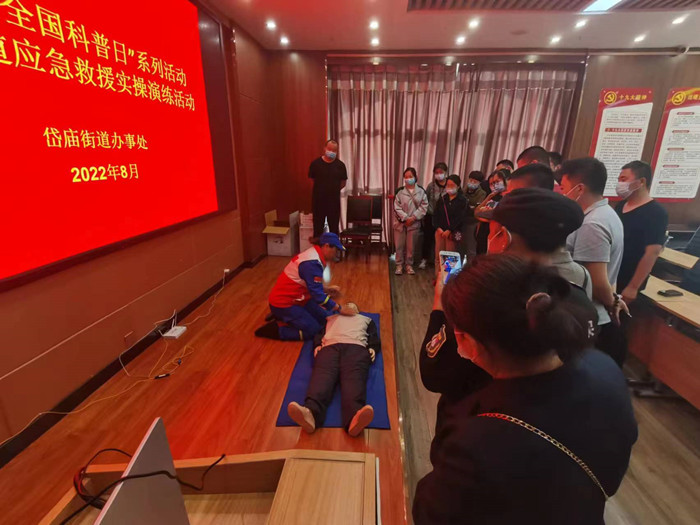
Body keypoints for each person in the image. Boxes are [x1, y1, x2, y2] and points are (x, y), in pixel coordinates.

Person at [414, 254, 637, 524]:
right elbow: (611, 476)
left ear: (467, 342)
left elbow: (430, 511)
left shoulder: (478, 442)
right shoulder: (604, 369)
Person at [560, 157, 629, 367]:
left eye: (564, 188)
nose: (562, 194)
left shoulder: (592, 224)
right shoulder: (606, 214)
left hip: (592, 318)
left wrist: (613, 303)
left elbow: (596, 281)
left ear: (579, 189)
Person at [287, 302, 380, 437]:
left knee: (353, 381)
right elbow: (320, 333)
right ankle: (311, 413)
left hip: (356, 347)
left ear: (358, 311)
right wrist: (318, 345)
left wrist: (372, 347)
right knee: (322, 378)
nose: (350, 306)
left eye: (353, 305)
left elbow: (373, 335)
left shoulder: (366, 320)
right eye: (347, 304)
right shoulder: (330, 319)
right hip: (330, 347)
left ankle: (354, 418)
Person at [489, 188, 594, 300]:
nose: (490, 236)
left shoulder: (495, 281)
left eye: (493, 232)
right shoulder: (581, 276)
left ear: (505, 238)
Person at [255, 233, 354, 341]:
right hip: (285, 303)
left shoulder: (314, 255)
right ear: (326, 246)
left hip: (299, 298)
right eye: (336, 249)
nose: (336, 253)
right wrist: (340, 308)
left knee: (324, 319)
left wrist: (326, 289)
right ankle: (277, 328)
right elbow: (318, 297)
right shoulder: (312, 263)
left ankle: (284, 317)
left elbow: (309, 283)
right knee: (313, 331)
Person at [615, 161, 668, 304]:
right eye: (619, 180)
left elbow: (652, 252)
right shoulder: (621, 206)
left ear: (641, 182)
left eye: (624, 179)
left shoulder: (656, 213)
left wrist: (633, 287)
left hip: (629, 278)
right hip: (612, 272)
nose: (620, 184)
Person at [393, 168, 428, 275]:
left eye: (410, 177)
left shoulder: (421, 191)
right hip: (400, 224)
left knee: (411, 247)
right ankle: (399, 265)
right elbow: (397, 207)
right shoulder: (400, 192)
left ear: (415, 177)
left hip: (414, 223)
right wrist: (405, 218)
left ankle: (409, 265)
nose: (408, 179)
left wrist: (413, 218)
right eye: (406, 177)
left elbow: (424, 206)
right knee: (399, 245)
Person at [309, 139, 348, 236]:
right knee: (318, 228)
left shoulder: (340, 165)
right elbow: (312, 180)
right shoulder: (315, 164)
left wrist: (332, 190)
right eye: (329, 149)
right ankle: (318, 245)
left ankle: (333, 245)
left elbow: (343, 183)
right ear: (324, 148)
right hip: (318, 202)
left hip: (333, 202)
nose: (331, 152)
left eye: (334, 150)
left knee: (334, 228)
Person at [433, 175, 467, 275]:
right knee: (438, 255)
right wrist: (438, 228)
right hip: (440, 232)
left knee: (450, 257)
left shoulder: (462, 201)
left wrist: (449, 230)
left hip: (453, 233)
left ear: (458, 186)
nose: (449, 187)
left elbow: (460, 218)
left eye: (452, 185)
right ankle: (438, 276)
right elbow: (435, 215)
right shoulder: (442, 199)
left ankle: (448, 279)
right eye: (448, 185)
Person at [419, 162, 448, 270]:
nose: (439, 174)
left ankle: (442, 262)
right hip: (431, 215)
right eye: (436, 172)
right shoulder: (431, 186)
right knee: (428, 238)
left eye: (441, 172)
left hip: (444, 218)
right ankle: (425, 259)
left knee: (442, 240)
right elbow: (425, 200)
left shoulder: (450, 185)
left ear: (446, 172)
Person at [474, 169, 508, 254]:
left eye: (497, 181)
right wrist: (488, 197)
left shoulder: (507, 199)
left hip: (495, 235)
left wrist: (485, 215)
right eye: (493, 183)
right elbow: (476, 213)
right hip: (483, 233)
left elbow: (497, 216)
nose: (495, 185)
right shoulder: (492, 196)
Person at [464, 171, 487, 259]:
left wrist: (470, 207)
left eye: (475, 181)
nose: (472, 183)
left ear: (479, 183)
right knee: (460, 247)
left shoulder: (482, 193)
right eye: (471, 180)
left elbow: (476, 209)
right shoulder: (463, 190)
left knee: (471, 248)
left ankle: (470, 266)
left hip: (473, 223)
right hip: (462, 221)